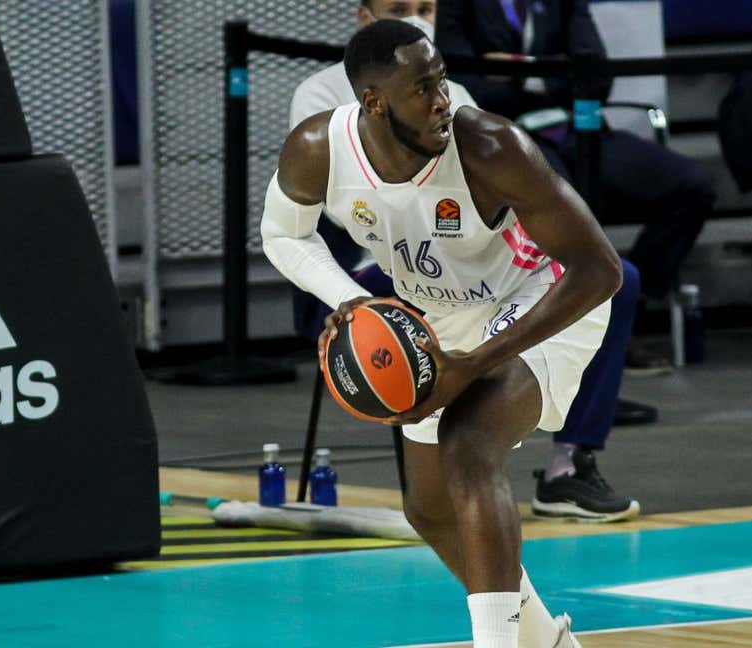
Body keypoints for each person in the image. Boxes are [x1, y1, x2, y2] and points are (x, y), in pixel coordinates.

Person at [262, 19, 621, 648]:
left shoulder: (490, 147)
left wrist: (477, 360)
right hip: (437, 315)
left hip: (544, 296)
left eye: (442, 79)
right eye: (422, 88)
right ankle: (545, 641)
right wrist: (353, 304)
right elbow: (283, 235)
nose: (442, 101)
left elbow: (601, 269)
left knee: (468, 442)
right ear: (373, 102)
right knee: (427, 508)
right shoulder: (319, 148)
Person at [288, 0, 644, 523]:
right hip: (374, 260)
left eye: (426, 6)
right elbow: (339, 213)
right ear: (367, 18)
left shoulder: (444, 92)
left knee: (614, 278)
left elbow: (483, 180)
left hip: (467, 252)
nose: (418, 18)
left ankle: (569, 462)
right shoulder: (318, 100)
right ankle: (467, 451)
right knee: (449, 475)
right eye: (400, 8)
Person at [434, 0, 713, 339]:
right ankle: (564, 326)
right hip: (509, 142)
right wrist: (550, 72)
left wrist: (517, 73)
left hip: (577, 130)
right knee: (561, 200)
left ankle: (628, 307)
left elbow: (595, 75)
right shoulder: (457, 6)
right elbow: (464, 87)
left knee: (693, 185)